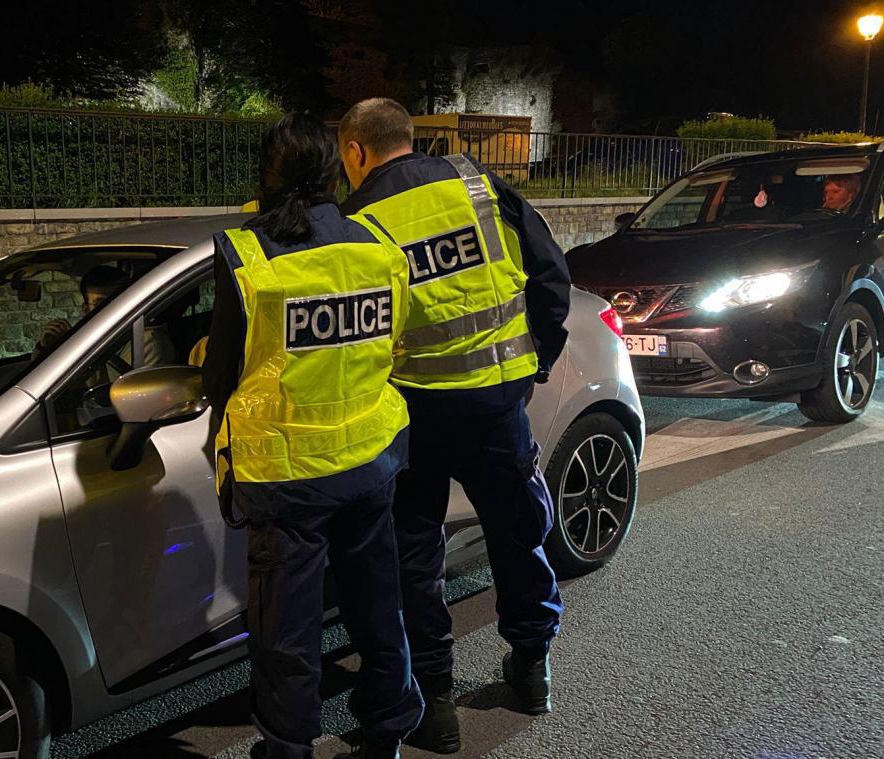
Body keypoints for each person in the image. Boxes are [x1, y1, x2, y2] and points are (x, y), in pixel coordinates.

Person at [337, 98, 571, 753]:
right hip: (496, 403)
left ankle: (434, 705)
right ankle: (531, 669)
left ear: (355, 151)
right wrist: (535, 363)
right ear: (411, 140)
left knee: (415, 556)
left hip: (412, 415)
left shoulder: (357, 220)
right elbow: (551, 278)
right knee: (517, 532)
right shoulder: (477, 181)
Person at [202, 112, 424, 759]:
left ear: (266, 176)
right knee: (377, 603)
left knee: (288, 631)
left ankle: (288, 746)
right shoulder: (376, 248)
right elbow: (392, 343)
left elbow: (221, 374)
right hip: (367, 462)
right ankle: (389, 726)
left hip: (288, 476)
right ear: (334, 170)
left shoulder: (246, 253)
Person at [33, 264, 175, 370]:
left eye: (114, 301)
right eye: (100, 304)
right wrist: (51, 347)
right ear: (86, 309)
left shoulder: (145, 342)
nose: (108, 310)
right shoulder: (87, 340)